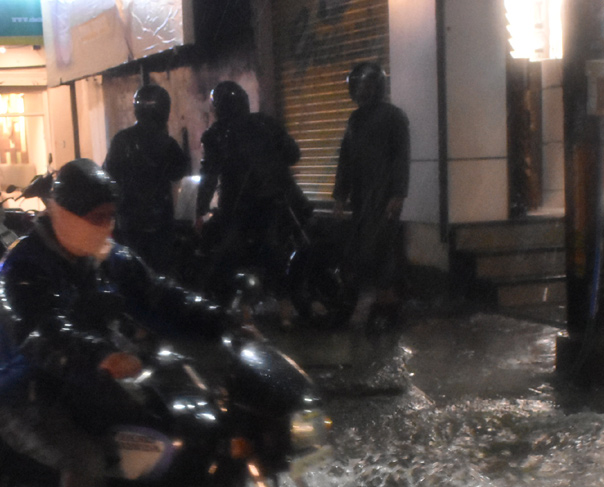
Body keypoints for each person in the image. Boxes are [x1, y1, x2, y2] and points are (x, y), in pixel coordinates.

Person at [0, 159, 225, 487]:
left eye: (111, 216)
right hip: (26, 396)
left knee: (164, 427)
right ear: (62, 213)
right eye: (97, 218)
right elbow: (42, 331)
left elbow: (158, 295)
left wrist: (219, 320)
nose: (107, 227)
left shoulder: (104, 257)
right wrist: (100, 355)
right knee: (86, 458)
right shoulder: (20, 270)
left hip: (82, 383)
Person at [194, 81, 305, 301]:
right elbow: (293, 154)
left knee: (225, 255)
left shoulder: (215, 134)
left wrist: (200, 210)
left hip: (238, 207)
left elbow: (209, 175)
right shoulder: (266, 123)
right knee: (275, 251)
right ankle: (284, 306)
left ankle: (231, 305)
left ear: (218, 107)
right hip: (278, 201)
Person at [332, 62, 410, 327]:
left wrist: (398, 193)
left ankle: (386, 302)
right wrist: (340, 195)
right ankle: (380, 302)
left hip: (385, 193)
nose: (361, 91)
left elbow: (401, 157)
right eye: (358, 86)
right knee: (363, 247)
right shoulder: (356, 119)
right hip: (362, 195)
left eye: (366, 85)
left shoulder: (394, 117)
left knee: (380, 247)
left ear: (377, 86)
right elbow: (346, 159)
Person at [103, 83, 189, 272]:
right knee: (160, 273)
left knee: (131, 270)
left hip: (128, 221)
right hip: (160, 223)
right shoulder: (167, 144)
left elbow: (108, 176)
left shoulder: (121, 140)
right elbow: (181, 172)